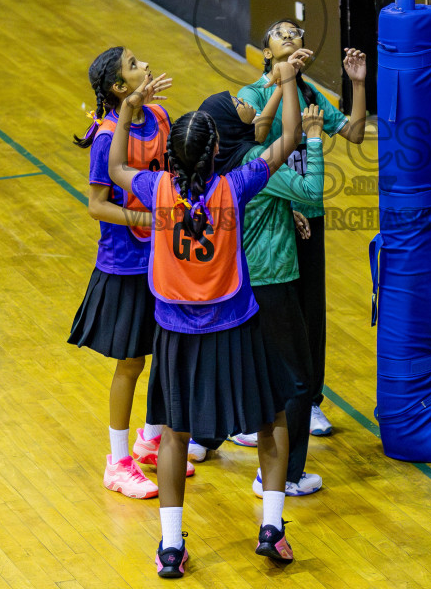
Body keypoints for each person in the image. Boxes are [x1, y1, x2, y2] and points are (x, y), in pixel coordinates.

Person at [109, 59, 307, 577]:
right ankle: (272, 528)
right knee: (272, 420)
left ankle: (171, 547)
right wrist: (285, 80)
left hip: (176, 333)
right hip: (236, 328)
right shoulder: (235, 187)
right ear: (217, 152)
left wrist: (129, 110)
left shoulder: (156, 190)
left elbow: (113, 171)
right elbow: (287, 136)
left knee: (174, 434)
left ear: (171, 156)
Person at [67, 47, 198, 501]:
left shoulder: (160, 118)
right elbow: (97, 204)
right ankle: (117, 462)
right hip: (125, 263)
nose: (144, 64)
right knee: (131, 362)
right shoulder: (107, 137)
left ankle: (151, 437)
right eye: (134, 64)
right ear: (120, 89)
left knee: (166, 350)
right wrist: (148, 220)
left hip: (164, 257)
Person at [239, 20, 367, 437]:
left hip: (309, 212)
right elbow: (257, 134)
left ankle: (309, 401)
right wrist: (283, 82)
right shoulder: (252, 94)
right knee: (273, 310)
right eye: (280, 32)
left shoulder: (312, 94)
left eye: (296, 31)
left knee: (311, 310)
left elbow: (354, 132)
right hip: (270, 215)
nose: (291, 35)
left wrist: (359, 85)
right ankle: (260, 402)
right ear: (266, 51)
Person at [201, 90, 328, 496]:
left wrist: (281, 210)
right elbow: (310, 191)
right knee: (296, 381)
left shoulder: (219, 164)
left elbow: (255, 203)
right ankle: (285, 476)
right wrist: (313, 138)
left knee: (242, 368)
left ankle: (202, 439)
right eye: (237, 104)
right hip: (271, 280)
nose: (248, 105)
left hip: (238, 281)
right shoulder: (257, 163)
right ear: (231, 123)